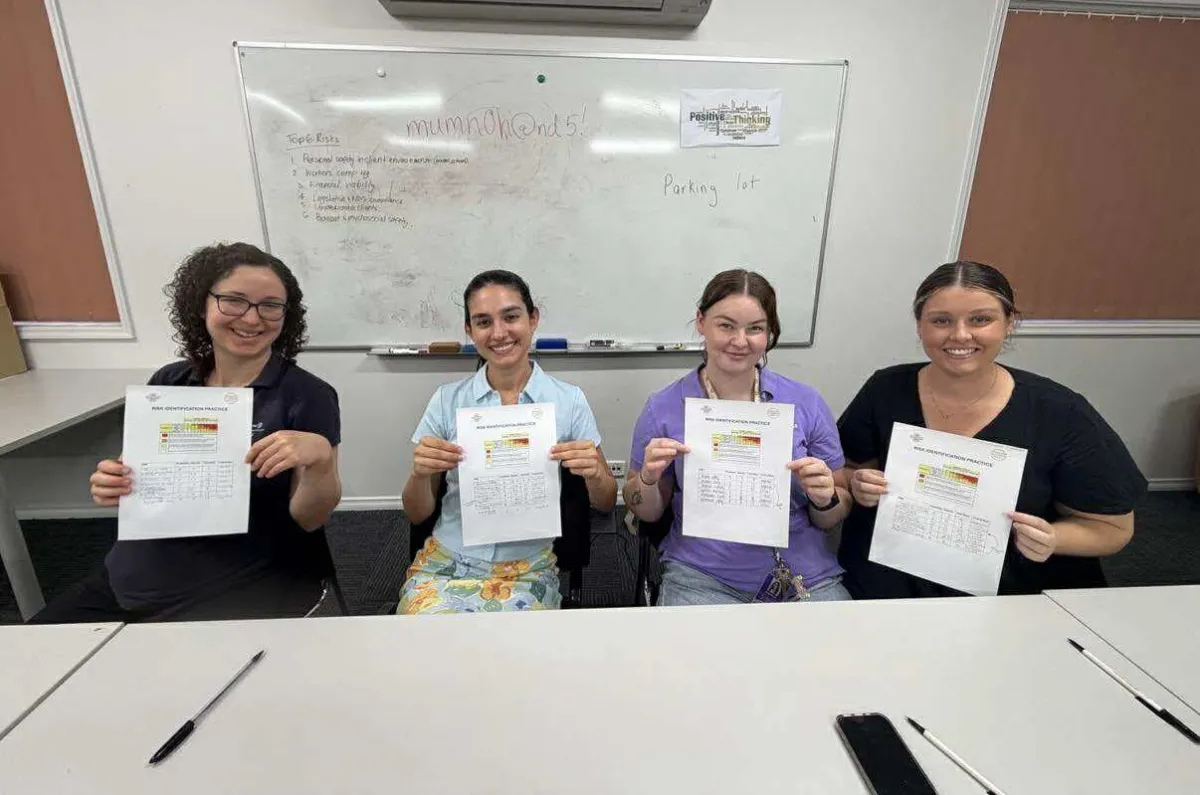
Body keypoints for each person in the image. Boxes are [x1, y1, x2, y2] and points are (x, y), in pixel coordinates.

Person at [31, 243, 342, 623]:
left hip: (240, 581)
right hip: (136, 573)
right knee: (29, 649)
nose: (252, 318)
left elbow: (310, 519)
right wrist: (114, 482)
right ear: (201, 304)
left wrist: (321, 460)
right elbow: (141, 477)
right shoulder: (170, 381)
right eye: (234, 301)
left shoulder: (306, 395)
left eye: (270, 305)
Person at [838, 260, 1140, 598]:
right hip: (892, 579)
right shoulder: (885, 390)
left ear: (1009, 323)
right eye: (941, 321)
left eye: (980, 320)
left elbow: (1113, 527)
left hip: (1007, 591)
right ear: (920, 326)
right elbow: (845, 471)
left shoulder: (1060, 412)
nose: (960, 335)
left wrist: (1054, 539)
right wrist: (859, 483)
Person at [627, 269, 852, 606]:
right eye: (726, 326)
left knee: (847, 641)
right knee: (688, 643)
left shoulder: (805, 402)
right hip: (701, 574)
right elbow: (644, 512)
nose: (740, 341)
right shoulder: (664, 407)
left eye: (755, 328)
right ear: (701, 322)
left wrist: (825, 499)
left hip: (802, 574)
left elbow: (834, 514)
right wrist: (647, 479)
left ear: (769, 333)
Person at [399, 269, 617, 613]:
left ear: (533, 319)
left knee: (516, 644)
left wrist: (595, 474)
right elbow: (417, 513)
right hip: (448, 561)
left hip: (528, 567)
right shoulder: (446, 401)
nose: (499, 333)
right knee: (428, 640)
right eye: (483, 322)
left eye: (511, 317)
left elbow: (605, 502)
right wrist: (419, 474)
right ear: (469, 330)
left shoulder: (568, 400)